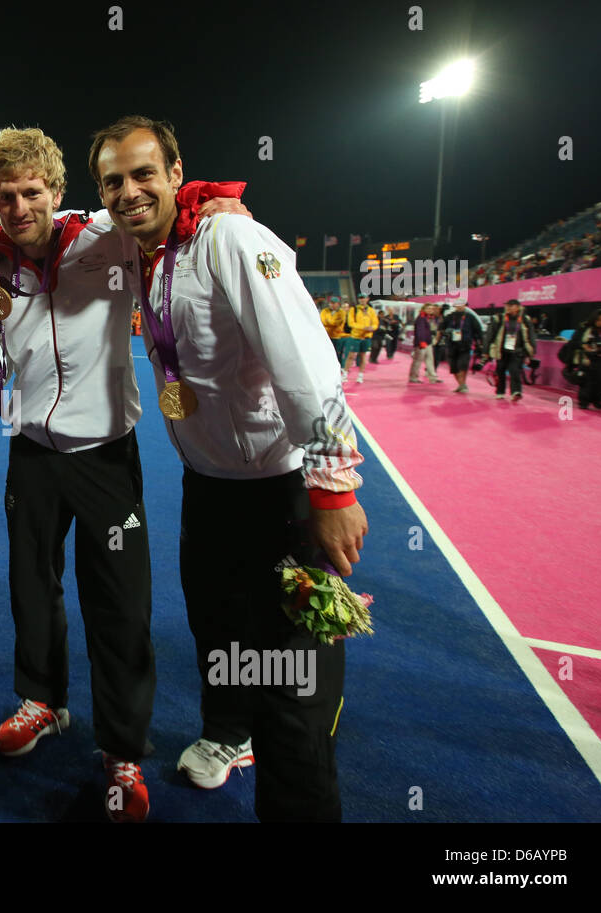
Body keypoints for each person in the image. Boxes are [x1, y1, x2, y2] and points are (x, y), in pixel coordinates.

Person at [0, 126, 244, 823]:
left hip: (106, 458)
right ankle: (43, 701)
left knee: (119, 604)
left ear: (58, 193)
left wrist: (217, 204)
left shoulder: (105, 237)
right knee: (31, 587)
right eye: (6, 196)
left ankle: (123, 746)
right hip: (29, 453)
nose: (19, 205)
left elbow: (165, 208)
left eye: (33, 191)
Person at [91, 115, 366, 823]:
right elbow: (50, 219)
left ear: (177, 172)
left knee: (295, 691)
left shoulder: (229, 237)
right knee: (220, 632)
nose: (128, 192)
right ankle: (229, 734)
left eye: (144, 173)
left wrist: (332, 481)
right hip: (207, 488)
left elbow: (304, 360)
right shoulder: (140, 248)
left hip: (283, 494)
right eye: (113, 181)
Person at [483, 299, 535, 401]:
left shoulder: (525, 319)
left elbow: (531, 336)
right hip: (501, 351)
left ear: (518, 307)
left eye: (511, 306)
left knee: (515, 371)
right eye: (507, 305)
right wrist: (485, 351)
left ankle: (516, 392)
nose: (508, 308)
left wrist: (530, 353)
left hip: (517, 351)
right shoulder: (499, 318)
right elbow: (490, 335)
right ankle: (500, 391)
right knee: (500, 371)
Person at [569, 309, 601, 410]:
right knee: (586, 381)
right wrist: (583, 346)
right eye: (598, 320)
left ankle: (597, 400)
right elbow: (573, 342)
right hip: (587, 358)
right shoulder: (584, 328)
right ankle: (584, 401)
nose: (600, 322)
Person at [440, 300, 481, 392]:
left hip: (465, 345)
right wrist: (445, 332)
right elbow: (441, 328)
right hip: (451, 345)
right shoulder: (449, 317)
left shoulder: (471, 317)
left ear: (465, 306)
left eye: (462, 304)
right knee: (453, 367)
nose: (460, 306)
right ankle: (462, 384)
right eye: (458, 305)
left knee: (463, 365)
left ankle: (462, 385)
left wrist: (479, 343)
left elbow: (478, 331)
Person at [343, 297, 378, 383]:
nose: (362, 300)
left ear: (367, 299)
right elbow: (351, 323)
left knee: (363, 356)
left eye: (364, 298)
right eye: (360, 298)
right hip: (355, 337)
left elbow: (375, 323)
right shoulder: (353, 309)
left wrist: (372, 328)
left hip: (366, 337)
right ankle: (345, 375)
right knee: (351, 356)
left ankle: (360, 376)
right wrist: (364, 328)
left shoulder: (371, 310)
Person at [409, 303, 443, 384]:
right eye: (428, 308)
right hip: (421, 343)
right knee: (418, 360)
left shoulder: (428, 318)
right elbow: (420, 331)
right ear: (424, 309)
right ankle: (413, 377)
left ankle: (433, 377)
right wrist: (422, 342)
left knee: (430, 360)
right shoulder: (421, 318)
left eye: (431, 309)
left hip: (428, 343)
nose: (430, 310)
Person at [319, 296, 347, 376]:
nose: (332, 305)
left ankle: (340, 368)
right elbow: (323, 321)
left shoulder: (342, 312)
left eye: (334, 303)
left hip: (338, 337)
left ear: (338, 304)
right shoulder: (324, 311)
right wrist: (331, 322)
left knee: (339, 353)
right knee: (327, 353)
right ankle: (330, 368)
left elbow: (338, 323)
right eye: (331, 303)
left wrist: (329, 322)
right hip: (327, 337)